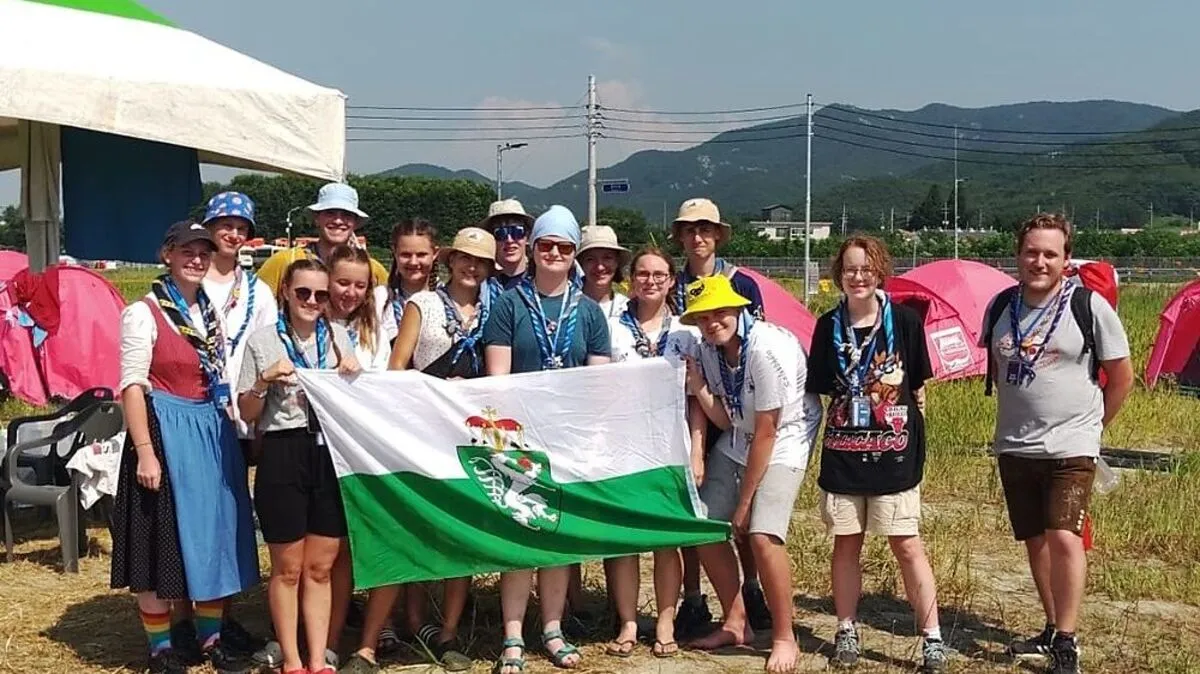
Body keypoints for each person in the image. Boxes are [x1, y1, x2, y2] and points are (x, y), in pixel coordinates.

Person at [338, 227, 497, 674]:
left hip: (468, 437)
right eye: (464, 258)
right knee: (402, 529)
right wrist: (437, 390)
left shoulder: (495, 308)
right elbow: (397, 369)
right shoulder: (422, 305)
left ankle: (446, 632)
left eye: (480, 261)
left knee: (458, 533)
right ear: (451, 260)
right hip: (421, 431)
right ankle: (370, 641)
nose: (471, 267)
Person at [981, 214, 1132, 674]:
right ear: (1017, 256)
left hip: (1072, 446)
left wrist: (1093, 427)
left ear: (1067, 259)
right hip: (1015, 446)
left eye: (1050, 254)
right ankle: (1050, 625)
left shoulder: (1088, 307)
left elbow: (1122, 377)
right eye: (1031, 252)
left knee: (1065, 537)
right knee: (1035, 540)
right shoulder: (1000, 307)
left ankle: (1067, 639)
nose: (1039, 261)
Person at [111, 220, 260, 674]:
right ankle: (161, 648)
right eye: (187, 251)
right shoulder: (144, 312)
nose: (196, 259)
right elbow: (132, 386)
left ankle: (210, 639)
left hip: (210, 429)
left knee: (214, 535)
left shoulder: (209, 312)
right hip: (166, 429)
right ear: (167, 254)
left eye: (203, 252)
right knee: (160, 541)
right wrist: (145, 451)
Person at [805, 235, 945, 673]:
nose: (858, 277)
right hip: (844, 456)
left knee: (907, 545)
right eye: (850, 269)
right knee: (846, 544)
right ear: (838, 274)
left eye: (866, 269)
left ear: (881, 272)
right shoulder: (827, 325)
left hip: (894, 456)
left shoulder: (904, 321)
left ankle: (932, 638)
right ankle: (846, 628)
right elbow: (819, 389)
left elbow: (917, 385)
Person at [483, 205, 612, 674]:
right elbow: (498, 379)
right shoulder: (509, 304)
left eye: (564, 247)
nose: (554, 253)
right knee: (521, 533)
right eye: (546, 245)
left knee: (556, 537)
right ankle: (513, 635)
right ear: (534, 249)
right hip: (519, 438)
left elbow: (597, 385)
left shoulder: (590, 311)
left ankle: (553, 628)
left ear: (574, 253)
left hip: (567, 438)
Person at [679, 274, 820, 674]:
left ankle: (784, 636)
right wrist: (699, 387)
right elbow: (727, 418)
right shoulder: (708, 349)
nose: (712, 323)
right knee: (702, 525)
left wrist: (743, 505)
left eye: (720, 312)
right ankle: (736, 621)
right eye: (702, 317)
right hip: (741, 434)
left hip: (786, 435)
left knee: (761, 535)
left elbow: (768, 431)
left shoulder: (766, 347)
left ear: (739, 309)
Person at [238, 259, 361, 674]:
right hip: (282, 452)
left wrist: (354, 376)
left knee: (321, 568)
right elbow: (247, 412)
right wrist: (264, 380)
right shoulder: (262, 341)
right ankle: (292, 660)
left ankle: (318, 658)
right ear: (286, 293)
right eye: (303, 292)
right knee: (288, 568)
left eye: (321, 294)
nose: (312, 301)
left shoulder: (340, 338)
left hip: (328, 454)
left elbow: (356, 405)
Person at [671, 196, 768, 634]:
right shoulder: (671, 284)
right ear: (680, 236)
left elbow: (755, 343)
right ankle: (694, 596)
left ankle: (752, 588)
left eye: (705, 229)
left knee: (742, 510)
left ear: (718, 235)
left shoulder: (742, 283)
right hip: (687, 408)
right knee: (692, 509)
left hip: (736, 409)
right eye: (690, 230)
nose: (698, 237)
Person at [606, 246, 704, 659]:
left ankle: (665, 621)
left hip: (671, 446)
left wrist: (697, 451)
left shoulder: (687, 331)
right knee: (625, 539)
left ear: (671, 281)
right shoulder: (611, 327)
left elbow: (697, 399)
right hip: (622, 447)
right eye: (642, 274)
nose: (650, 281)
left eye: (659, 275)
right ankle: (628, 622)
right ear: (631, 279)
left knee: (667, 540)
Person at [257, 182, 388, 294]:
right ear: (316, 218)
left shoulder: (372, 270)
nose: (338, 221)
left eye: (346, 215)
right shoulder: (284, 262)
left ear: (355, 222)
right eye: (330, 213)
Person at [328, 244, 391, 370]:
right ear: (327, 281)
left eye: (360, 286)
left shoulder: (375, 334)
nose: (351, 293)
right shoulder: (312, 329)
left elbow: (381, 378)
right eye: (343, 283)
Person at [381, 218, 439, 345]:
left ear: (435, 253)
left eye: (421, 255)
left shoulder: (447, 298)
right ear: (394, 252)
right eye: (406, 255)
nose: (413, 262)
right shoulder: (379, 299)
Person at [479, 198, 535, 298]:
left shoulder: (541, 280)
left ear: (527, 236)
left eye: (517, 232)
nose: (509, 240)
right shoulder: (479, 284)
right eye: (500, 233)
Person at [578, 225, 631, 320]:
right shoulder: (569, 306)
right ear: (581, 264)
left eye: (607, 258)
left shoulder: (627, 308)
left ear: (617, 262)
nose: (600, 267)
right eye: (590, 259)